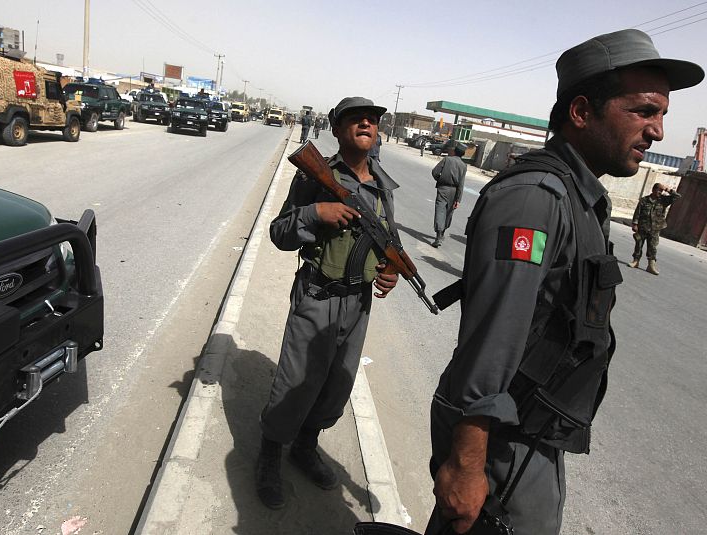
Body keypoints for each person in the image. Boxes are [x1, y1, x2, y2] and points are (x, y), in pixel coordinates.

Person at [425, 29, 702, 535]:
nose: (658, 132)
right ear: (581, 112)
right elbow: (489, 347)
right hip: (499, 443)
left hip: (531, 436)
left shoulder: (580, 198)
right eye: (643, 111)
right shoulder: (536, 199)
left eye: (662, 115)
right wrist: (465, 466)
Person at [256, 97, 400, 509]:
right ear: (337, 130)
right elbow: (280, 233)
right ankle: (270, 452)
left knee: (336, 386)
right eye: (356, 119)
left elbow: (389, 242)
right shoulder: (316, 178)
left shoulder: (382, 187)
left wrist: (388, 271)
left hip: (357, 305)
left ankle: (305, 445)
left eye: (373, 120)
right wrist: (315, 212)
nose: (367, 123)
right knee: (293, 383)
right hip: (317, 297)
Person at [629, 182, 681, 275]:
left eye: (662, 190)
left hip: (655, 229)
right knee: (639, 244)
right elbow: (637, 212)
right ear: (653, 190)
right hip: (642, 227)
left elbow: (677, 197)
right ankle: (635, 261)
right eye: (659, 190)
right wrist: (635, 224)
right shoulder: (644, 200)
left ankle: (651, 265)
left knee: (652, 247)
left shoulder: (663, 200)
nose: (660, 192)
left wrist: (668, 190)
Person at [430, 142, 467, 247]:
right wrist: (458, 200)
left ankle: (439, 235)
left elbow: (435, 172)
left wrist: (440, 179)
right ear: (463, 154)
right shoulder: (463, 166)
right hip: (454, 191)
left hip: (443, 188)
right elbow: (461, 184)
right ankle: (442, 233)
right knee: (448, 213)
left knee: (440, 210)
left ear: (455, 151)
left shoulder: (447, 159)